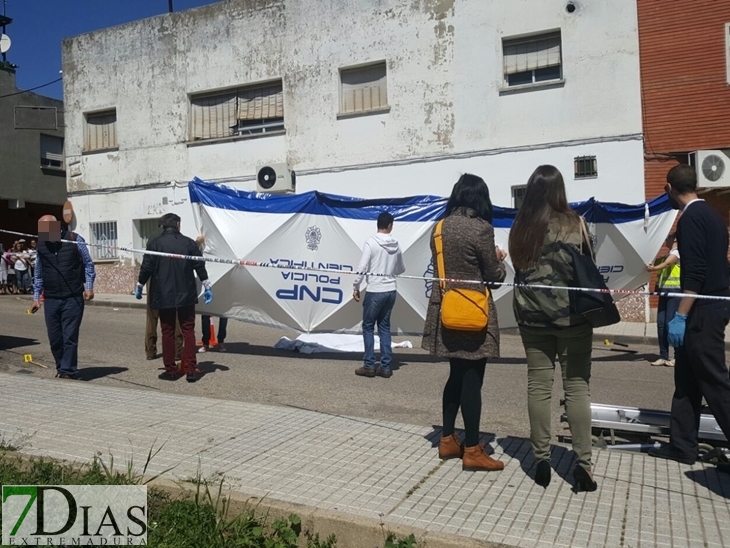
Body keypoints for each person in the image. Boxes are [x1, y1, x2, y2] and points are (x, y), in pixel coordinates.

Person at [509, 165, 597, 492]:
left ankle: (541, 460)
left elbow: (518, 267)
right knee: (576, 388)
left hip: (532, 317)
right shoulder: (577, 224)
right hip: (571, 316)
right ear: (560, 190)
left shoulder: (519, 228)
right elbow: (589, 265)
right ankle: (583, 467)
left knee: (538, 386)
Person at [422, 173, 507, 472]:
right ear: (480, 199)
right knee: (473, 379)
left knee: (455, 376)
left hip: (445, 309)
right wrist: (500, 260)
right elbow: (494, 278)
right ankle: (472, 448)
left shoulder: (439, 227)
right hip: (472, 314)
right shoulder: (481, 229)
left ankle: (447, 439)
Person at [648, 164, 730, 472]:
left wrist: (680, 315)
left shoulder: (692, 219)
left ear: (669, 188)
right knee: (686, 380)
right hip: (713, 304)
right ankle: (682, 446)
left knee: (714, 381)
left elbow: (695, 274)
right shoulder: (714, 216)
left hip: (702, 311)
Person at [136, 213, 213, 382]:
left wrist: (140, 285)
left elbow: (147, 266)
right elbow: (199, 264)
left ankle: (170, 369)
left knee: (168, 331)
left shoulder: (155, 243)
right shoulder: (189, 243)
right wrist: (207, 285)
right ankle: (191, 369)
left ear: (163, 226)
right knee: (188, 330)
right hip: (186, 292)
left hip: (164, 294)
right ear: (178, 224)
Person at [31, 215, 96, 379]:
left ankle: (67, 371)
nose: (43, 234)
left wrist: (89, 287)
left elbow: (88, 263)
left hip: (72, 297)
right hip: (51, 298)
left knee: (69, 336)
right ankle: (61, 367)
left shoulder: (74, 240)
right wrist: (36, 297)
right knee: (55, 339)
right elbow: (38, 273)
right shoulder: (41, 245)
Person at [352, 212, 406, 378]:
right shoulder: (396, 244)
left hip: (375, 290)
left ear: (378, 224)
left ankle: (369, 365)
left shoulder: (371, 242)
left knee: (368, 326)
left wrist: (356, 285)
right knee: (384, 327)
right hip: (390, 290)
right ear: (390, 225)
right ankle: (386, 366)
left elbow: (362, 266)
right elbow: (401, 269)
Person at [646, 233, 681, 367]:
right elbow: (660, 268)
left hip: (675, 293)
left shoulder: (677, 253)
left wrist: (653, 268)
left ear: (675, 240)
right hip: (664, 293)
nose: (665, 241)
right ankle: (663, 356)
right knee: (661, 324)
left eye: (668, 239)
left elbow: (667, 264)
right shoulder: (666, 255)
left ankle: (678, 355)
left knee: (670, 324)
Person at [146, 279, 184, 362]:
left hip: (152, 278)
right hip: (168, 277)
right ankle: (177, 350)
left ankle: (150, 351)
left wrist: (140, 283)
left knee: (151, 319)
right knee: (174, 316)